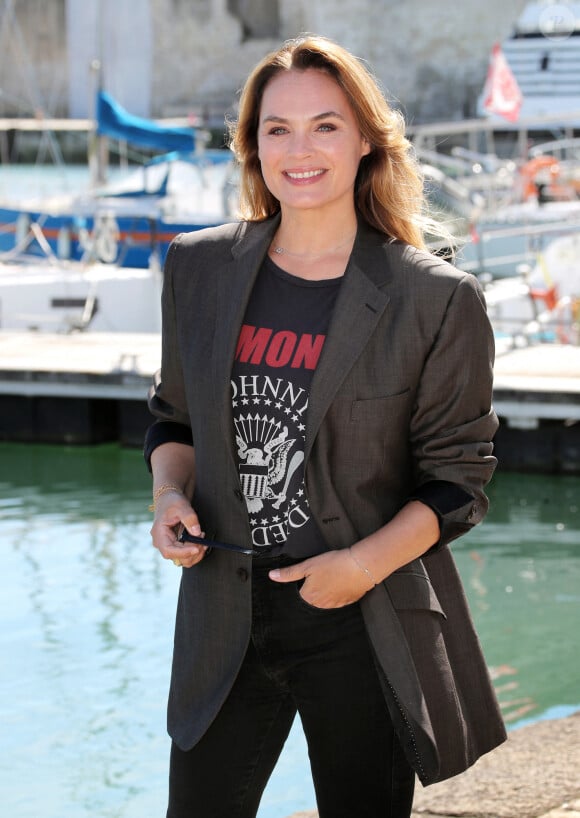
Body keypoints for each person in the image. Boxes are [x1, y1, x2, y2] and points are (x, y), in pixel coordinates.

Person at [144, 34, 506, 818]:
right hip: (223, 618)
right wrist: (169, 496)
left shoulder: (435, 299)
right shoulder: (198, 268)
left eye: (325, 125)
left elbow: (458, 482)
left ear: (367, 139)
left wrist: (360, 567)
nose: (298, 150)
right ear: (252, 145)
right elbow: (175, 418)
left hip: (363, 619)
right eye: (277, 128)